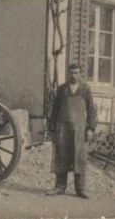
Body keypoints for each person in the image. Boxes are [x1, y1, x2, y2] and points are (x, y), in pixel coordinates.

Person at [47, 63, 97, 198]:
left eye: (76, 73)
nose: (73, 75)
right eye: (71, 73)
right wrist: (52, 127)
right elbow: (55, 109)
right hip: (63, 129)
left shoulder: (85, 89)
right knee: (62, 156)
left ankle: (80, 189)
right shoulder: (62, 89)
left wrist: (91, 128)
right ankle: (59, 187)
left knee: (79, 158)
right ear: (68, 73)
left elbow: (91, 110)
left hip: (79, 130)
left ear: (80, 74)